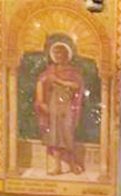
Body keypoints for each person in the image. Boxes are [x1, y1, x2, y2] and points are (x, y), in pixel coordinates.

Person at [34, 41, 86, 175]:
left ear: (66, 55)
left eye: (60, 53)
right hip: (53, 104)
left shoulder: (72, 71)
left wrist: (58, 81)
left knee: (67, 134)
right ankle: (57, 167)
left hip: (67, 105)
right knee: (55, 136)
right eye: (55, 53)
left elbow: (76, 86)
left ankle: (73, 165)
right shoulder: (50, 70)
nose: (58, 56)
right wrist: (41, 101)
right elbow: (40, 82)